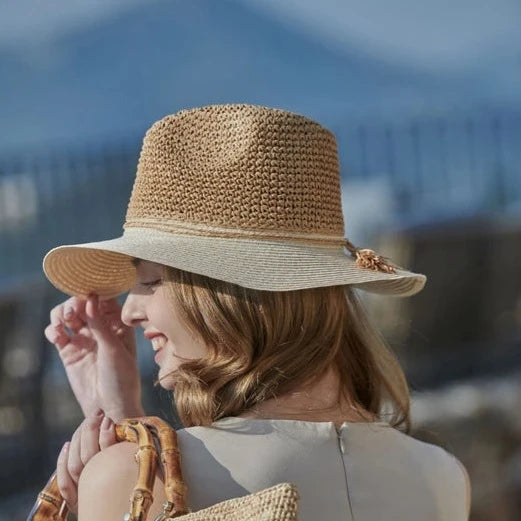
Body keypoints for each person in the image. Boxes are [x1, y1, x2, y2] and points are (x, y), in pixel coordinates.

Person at [42, 104, 471, 520]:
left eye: (152, 282)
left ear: (229, 295)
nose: (130, 311)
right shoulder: (442, 475)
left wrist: (118, 470)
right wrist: (125, 426)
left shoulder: (131, 478)